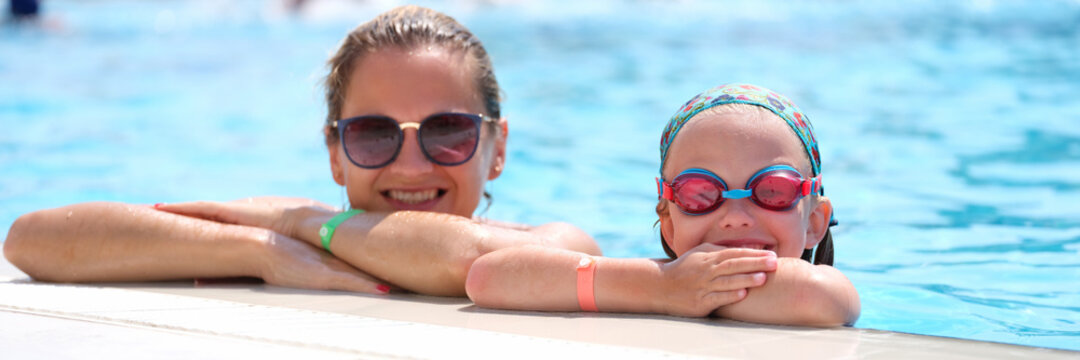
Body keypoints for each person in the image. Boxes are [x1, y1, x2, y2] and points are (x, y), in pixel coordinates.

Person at [3, 5, 600, 297]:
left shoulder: (557, 245)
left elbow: (467, 264)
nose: (412, 165)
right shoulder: (296, 242)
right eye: (373, 134)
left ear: (496, 148)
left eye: (448, 131)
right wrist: (259, 248)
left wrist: (299, 222)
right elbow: (34, 239)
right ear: (336, 153)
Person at [465, 84, 859, 326]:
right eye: (701, 194)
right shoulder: (656, 282)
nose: (736, 218)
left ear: (814, 222)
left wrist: (684, 294)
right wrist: (662, 287)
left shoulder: (824, 290)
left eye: (771, 190)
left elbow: (820, 296)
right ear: (668, 224)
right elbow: (488, 277)